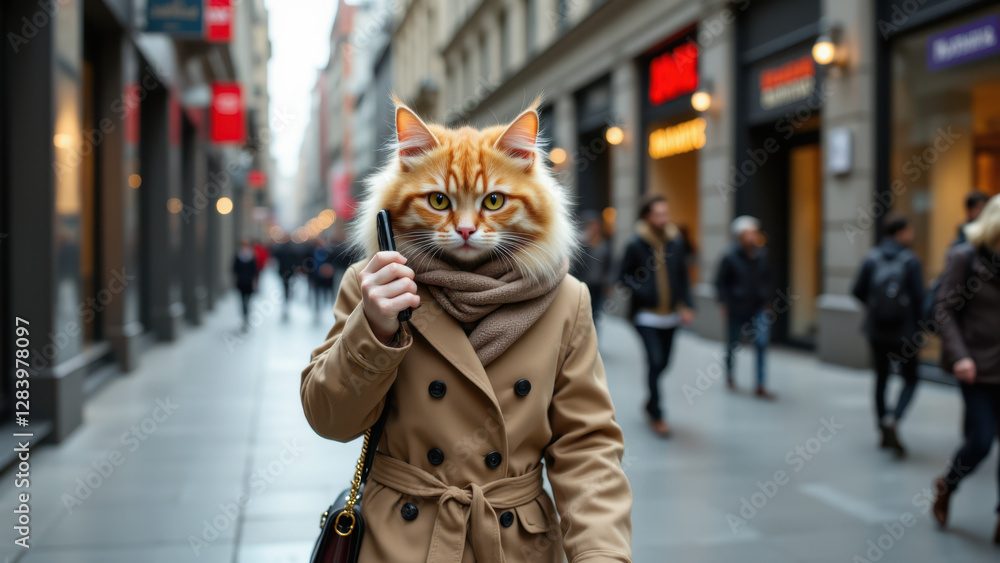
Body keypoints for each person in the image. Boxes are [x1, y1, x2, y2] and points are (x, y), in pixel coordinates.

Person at [301, 102, 631, 562]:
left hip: (514, 544)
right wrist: (372, 329)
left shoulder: (566, 299)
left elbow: (586, 446)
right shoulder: (371, 282)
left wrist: (602, 555)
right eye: (439, 201)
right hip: (399, 542)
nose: (465, 227)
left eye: (493, 201)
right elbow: (329, 420)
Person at [931, 194, 1000, 545]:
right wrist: (959, 356)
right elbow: (943, 309)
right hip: (976, 366)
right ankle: (947, 484)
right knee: (981, 442)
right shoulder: (964, 257)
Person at [619, 193, 694, 437]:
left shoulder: (676, 241)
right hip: (646, 316)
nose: (664, 218)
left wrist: (687, 305)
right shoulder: (636, 243)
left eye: (666, 213)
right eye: (659, 214)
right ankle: (658, 414)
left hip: (671, 315)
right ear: (648, 216)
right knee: (654, 360)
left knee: (664, 363)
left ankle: (650, 404)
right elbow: (623, 276)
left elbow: (683, 275)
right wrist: (643, 291)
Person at [851, 213, 924, 458]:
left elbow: (857, 291)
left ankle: (882, 428)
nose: (912, 235)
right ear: (901, 233)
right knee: (910, 378)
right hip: (904, 332)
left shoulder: (871, 258)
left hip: (876, 330)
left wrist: (875, 307)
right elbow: (919, 299)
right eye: (909, 230)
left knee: (881, 379)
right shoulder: (910, 260)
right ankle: (895, 417)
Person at [715, 216, 774, 398]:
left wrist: (767, 301)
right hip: (736, 307)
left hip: (758, 307)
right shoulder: (729, 256)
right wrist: (724, 302)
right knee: (733, 344)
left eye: (754, 232)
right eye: (749, 233)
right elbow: (720, 282)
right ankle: (730, 376)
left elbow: (768, 279)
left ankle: (761, 383)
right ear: (740, 236)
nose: (752, 236)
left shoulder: (762, 255)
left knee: (762, 343)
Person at [570, 211, 613, 324]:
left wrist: (608, 284)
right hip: (584, 283)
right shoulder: (583, 245)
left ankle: (594, 336)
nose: (594, 228)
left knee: (596, 313)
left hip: (599, 285)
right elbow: (577, 265)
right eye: (591, 225)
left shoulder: (605, 245)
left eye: (596, 225)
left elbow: (609, 265)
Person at [232, 240, 258, 330]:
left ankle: (247, 316)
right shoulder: (238, 256)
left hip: (249, 283)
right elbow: (234, 269)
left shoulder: (252, 257)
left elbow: (255, 270)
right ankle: (244, 317)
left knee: (248, 301)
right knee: (243, 301)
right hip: (241, 283)